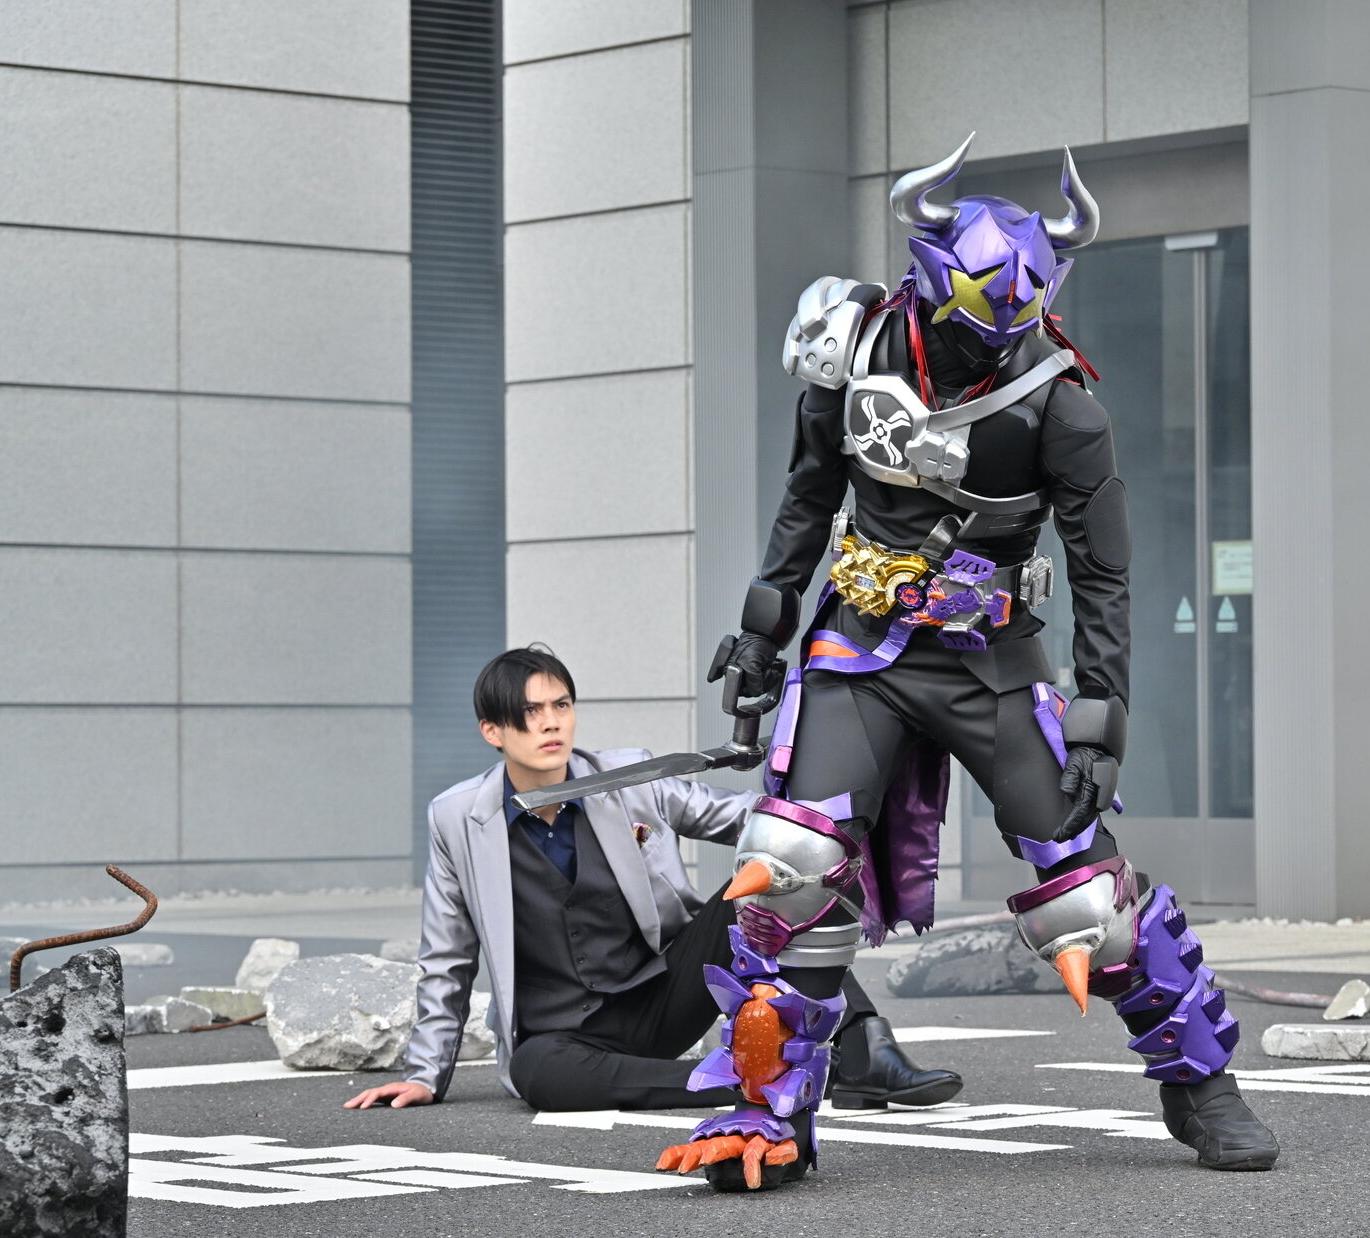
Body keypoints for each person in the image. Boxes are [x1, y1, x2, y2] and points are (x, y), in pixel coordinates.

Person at [654, 135, 1279, 1192]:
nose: (986, 345)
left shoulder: (1062, 404)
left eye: (1010, 323)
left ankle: (1200, 1082)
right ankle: (767, 1108)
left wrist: (1101, 718)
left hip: (989, 660)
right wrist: (763, 628)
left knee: (1084, 885)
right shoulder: (850, 351)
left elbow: (1102, 573)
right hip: (856, 647)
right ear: (929, 285)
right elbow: (807, 497)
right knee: (791, 861)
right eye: (970, 322)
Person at [342, 644, 960, 1116]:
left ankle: (864, 1048)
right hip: (562, 1037)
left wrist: (830, 815)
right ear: (493, 731)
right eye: (530, 712)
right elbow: (447, 957)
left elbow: (745, 819)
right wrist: (426, 1075)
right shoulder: (457, 818)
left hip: (663, 995)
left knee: (774, 880)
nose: (551, 724)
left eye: (561, 705)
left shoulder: (628, 778)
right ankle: (744, 1083)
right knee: (538, 1074)